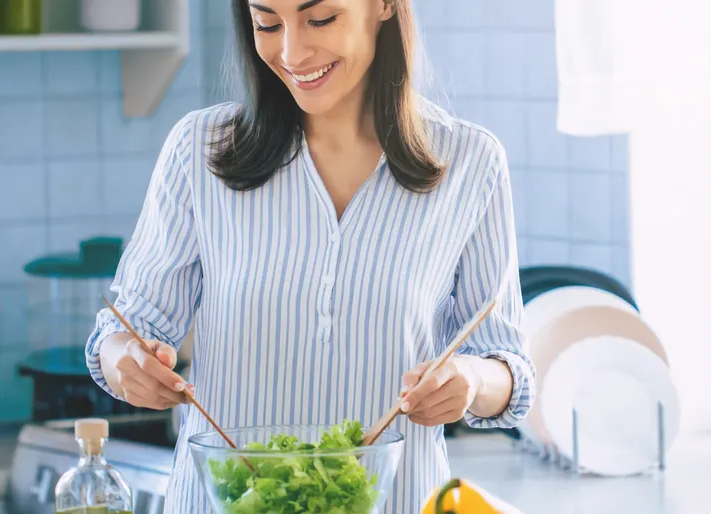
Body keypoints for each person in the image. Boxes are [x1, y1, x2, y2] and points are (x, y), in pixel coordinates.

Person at [84, 0, 535, 511]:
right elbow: (123, 331)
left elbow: (510, 370)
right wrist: (127, 360)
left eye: (320, 18)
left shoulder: (471, 164)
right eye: (267, 23)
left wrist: (473, 381)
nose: (292, 52)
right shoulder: (199, 150)